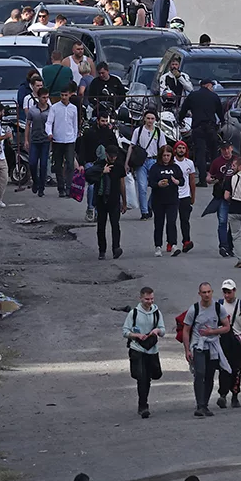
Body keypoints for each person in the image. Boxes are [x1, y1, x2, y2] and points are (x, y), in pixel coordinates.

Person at [182, 283, 231, 418]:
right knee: (200, 373)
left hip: (212, 346)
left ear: (212, 292)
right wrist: (187, 350)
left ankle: (205, 405)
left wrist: (212, 331)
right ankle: (200, 406)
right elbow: (186, 330)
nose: (207, 295)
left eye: (209, 292)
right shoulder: (194, 310)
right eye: (204, 292)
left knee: (209, 375)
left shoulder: (218, 308)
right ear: (199, 294)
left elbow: (227, 327)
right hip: (198, 346)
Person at [122, 287, 165, 419]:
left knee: (155, 375)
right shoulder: (133, 313)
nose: (149, 302)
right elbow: (125, 332)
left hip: (152, 350)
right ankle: (143, 406)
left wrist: (156, 331)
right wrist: (137, 336)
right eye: (147, 299)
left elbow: (163, 330)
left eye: (152, 299)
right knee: (142, 378)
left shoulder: (156, 313)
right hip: (137, 349)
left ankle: (143, 403)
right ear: (140, 298)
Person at [84, 144, 127, 259]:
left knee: (115, 225)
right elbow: (88, 174)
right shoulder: (99, 164)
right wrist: (102, 171)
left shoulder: (118, 166)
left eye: (115, 156)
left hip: (114, 200)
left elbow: (122, 183)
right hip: (101, 199)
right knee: (101, 226)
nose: (113, 158)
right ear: (106, 154)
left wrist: (124, 201)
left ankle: (116, 248)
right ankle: (102, 250)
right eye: (111, 156)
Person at [217, 278, 241, 408]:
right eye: (225, 292)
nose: (227, 295)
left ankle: (235, 395)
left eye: (229, 292)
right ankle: (222, 395)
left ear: (234, 291)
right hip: (223, 341)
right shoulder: (219, 305)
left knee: (237, 369)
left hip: (237, 341)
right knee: (223, 369)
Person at [77, 109, 119, 221]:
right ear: (98, 121)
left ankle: (97, 211)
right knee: (92, 186)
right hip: (91, 163)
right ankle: (91, 208)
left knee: (103, 187)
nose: (105, 123)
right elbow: (82, 148)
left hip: (104, 164)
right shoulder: (89, 132)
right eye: (103, 121)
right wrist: (81, 164)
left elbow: (115, 148)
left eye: (106, 121)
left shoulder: (110, 134)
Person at [129, 109, 168, 221]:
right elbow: (132, 146)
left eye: (152, 119)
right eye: (148, 118)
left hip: (154, 161)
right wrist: (127, 163)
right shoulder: (139, 130)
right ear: (144, 119)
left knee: (157, 186)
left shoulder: (159, 132)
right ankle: (144, 212)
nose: (150, 121)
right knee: (142, 187)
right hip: (141, 162)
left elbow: (163, 148)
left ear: (155, 120)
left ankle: (149, 206)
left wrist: (165, 162)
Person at [180, 78, 222, 175]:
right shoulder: (214, 96)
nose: (212, 88)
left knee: (200, 153)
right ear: (207, 85)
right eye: (211, 86)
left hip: (197, 128)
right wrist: (222, 121)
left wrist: (180, 119)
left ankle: (202, 178)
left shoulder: (193, 96)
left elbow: (184, 109)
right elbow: (220, 111)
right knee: (213, 152)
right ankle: (214, 175)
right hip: (211, 128)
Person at [149, 144, 184, 256]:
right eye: (164, 155)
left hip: (172, 200)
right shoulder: (155, 168)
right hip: (158, 200)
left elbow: (182, 181)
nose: (166, 158)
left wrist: (177, 182)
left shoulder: (175, 167)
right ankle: (158, 246)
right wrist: (158, 184)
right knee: (159, 223)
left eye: (168, 155)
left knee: (171, 222)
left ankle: (173, 244)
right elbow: (150, 182)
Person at [206, 141, 238, 257]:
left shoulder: (237, 160)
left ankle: (230, 246)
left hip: (235, 197)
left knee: (234, 222)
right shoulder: (216, 162)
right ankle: (223, 246)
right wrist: (210, 179)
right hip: (220, 195)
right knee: (222, 221)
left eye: (228, 148)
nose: (226, 151)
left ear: (231, 148)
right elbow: (209, 176)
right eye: (223, 149)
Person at [47, 88, 79, 198]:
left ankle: (69, 187)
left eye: (66, 95)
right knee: (58, 164)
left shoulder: (73, 108)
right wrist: (50, 133)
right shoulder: (55, 108)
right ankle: (61, 188)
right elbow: (49, 122)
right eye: (62, 95)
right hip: (58, 139)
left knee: (70, 163)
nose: (64, 97)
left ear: (69, 95)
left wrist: (74, 137)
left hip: (70, 140)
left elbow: (75, 124)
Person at [168, 140, 197, 253]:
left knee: (185, 220)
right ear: (175, 150)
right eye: (179, 148)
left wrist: (193, 196)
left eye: (183, 148)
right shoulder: (171, 162)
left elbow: (192, 181)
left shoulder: (189, 163)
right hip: (172, 195)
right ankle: (170, 242)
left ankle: (186, 242)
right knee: (171, 221)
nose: (181, 150)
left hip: (185, 195)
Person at [24, 87, 52, 197]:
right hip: (35, 140)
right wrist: (26, 139)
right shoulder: (32, 110)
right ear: (39, 98)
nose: (45, 99)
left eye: (47, 97)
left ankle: (41, 187)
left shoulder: (51, 110)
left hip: (45, 140)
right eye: (43, 97)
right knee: (32, 163)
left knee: (44, 164)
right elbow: (27, 124)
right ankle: (35, 181)